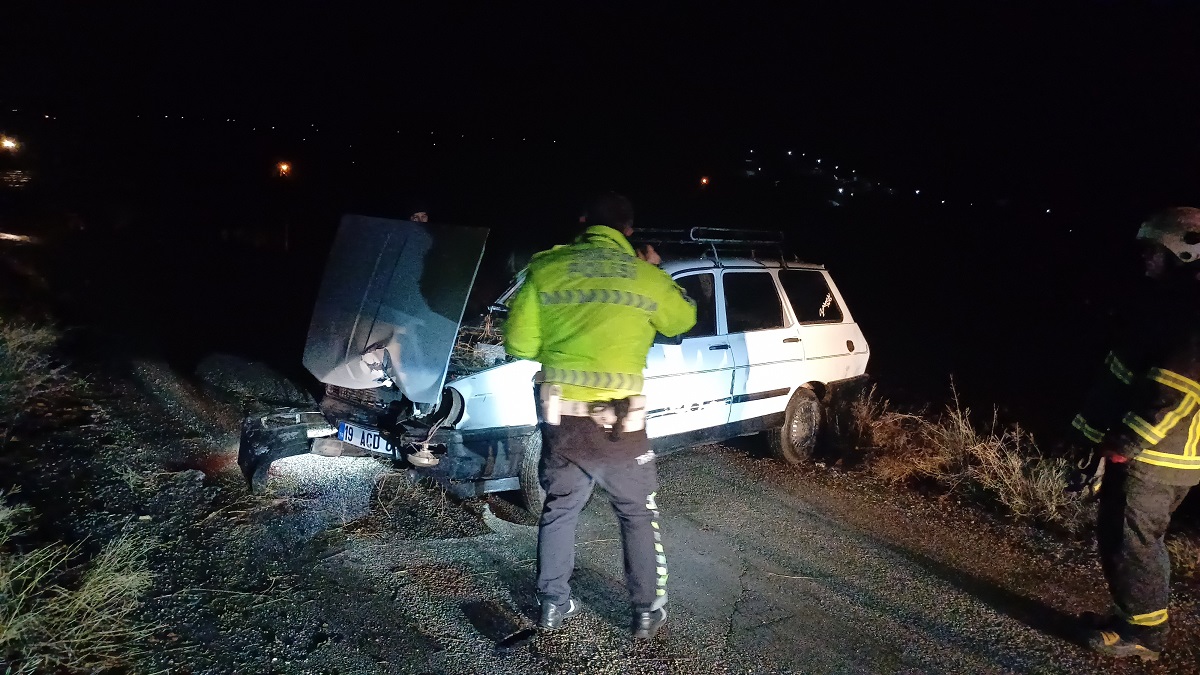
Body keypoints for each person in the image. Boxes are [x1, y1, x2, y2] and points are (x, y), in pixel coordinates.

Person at [503, 191, 696, 638]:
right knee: (636, 514)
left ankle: (552, 603)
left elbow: (519, 345)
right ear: (628, 230)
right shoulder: (645, 277)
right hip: (621, 428)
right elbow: (682, 320)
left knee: (560, 509)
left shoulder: (547, 268)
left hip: (563, 423)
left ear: (583, 220)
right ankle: (646, 611)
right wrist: (655, 272)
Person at [1066, 206, 1200, 661]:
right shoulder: (1173, 305)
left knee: (1134, 541)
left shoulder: (1190, 313)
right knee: (1125, 537)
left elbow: (1175, 392)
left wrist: (1125, 443)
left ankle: (1144, 636)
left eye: (1152, 250)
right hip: (1153, 453)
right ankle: (1130, 617)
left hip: (1157, 457)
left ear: (1182, 252)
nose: (1144, 259)